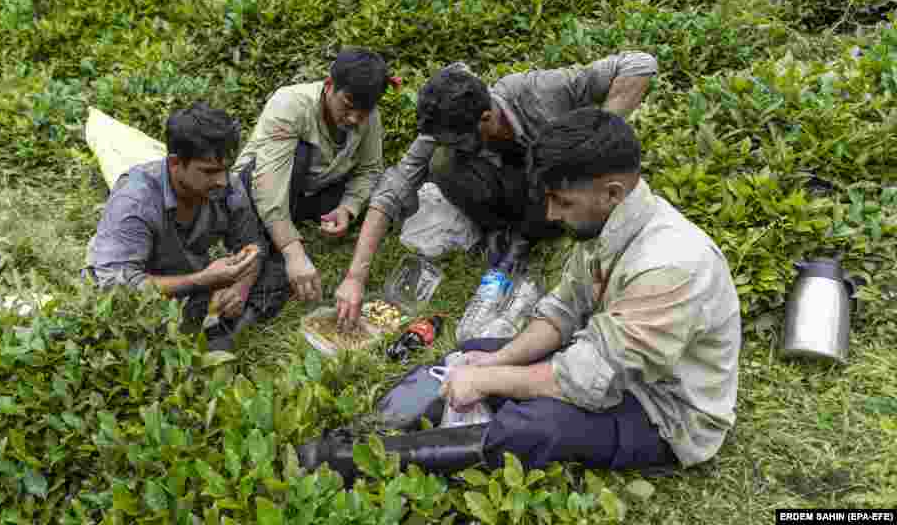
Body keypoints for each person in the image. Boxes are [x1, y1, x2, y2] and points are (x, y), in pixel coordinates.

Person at [298, 108, 741, 480]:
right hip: (609, 361)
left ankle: (350, 463)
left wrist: (491, 380)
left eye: (561, 202)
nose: (550, 214)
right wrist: (495, 362)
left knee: (529, 428)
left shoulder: (671, 265)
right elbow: (563, 312)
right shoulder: (613, 225)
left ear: (611, 193)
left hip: (663, 411)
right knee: (472, 351)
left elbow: (590, 379)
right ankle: (375, 429)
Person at [335, 52, 657, 332]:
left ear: (486, 117)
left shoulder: (538, 92)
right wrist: (355, 276)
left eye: (458, 140)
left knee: (543, 164)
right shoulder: (447, 127)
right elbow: (392, 190)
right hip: (507, 189)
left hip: (551, 186)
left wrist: (593, 142)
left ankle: (528, 236)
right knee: (441, 162)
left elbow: (639, 64)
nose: (449, 144)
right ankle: (501, 230)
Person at [84, 101, 287, 351]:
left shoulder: (228, 186)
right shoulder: (136, 201)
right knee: (129, 326)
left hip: (192, 285)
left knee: (279, 271)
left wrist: (240, 287)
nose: (222, 180)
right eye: (209, 171)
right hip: (143, 293)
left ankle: (220, 333)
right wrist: (203, 279)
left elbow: (253, 245)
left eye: (226, 169)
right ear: (175, 163)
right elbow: (116, 284)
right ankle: (212, 339)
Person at [232, 47, 397, 304]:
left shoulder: (369, 117)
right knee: (299, 154)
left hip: (311, 190)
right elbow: (267, 186)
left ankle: (281, 235)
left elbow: (370, 169)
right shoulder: (291, 104)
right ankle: (270, 244)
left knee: (384, 186)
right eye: (348, 106)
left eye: (363, 113)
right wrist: (292, 251)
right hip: (257, 188)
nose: (354, 119)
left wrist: (347, 208)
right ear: (330, 85)